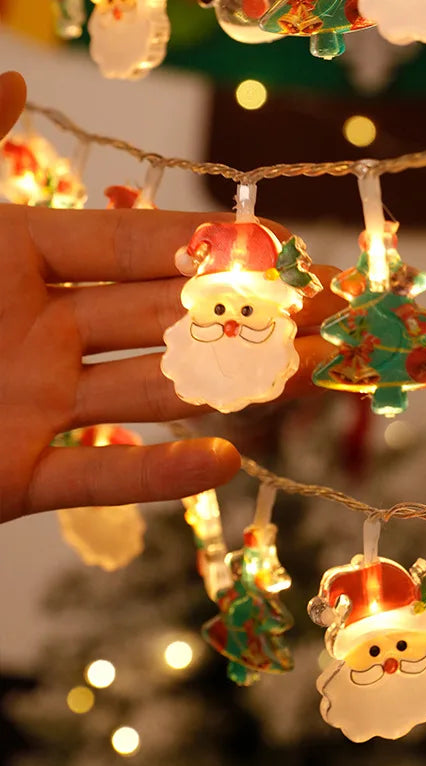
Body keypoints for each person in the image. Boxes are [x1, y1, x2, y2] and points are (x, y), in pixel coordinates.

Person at [0, 71, 342, 524]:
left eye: (241, 310)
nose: (232, 324)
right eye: (220, 308)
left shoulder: (262, 346)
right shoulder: (192, 351)